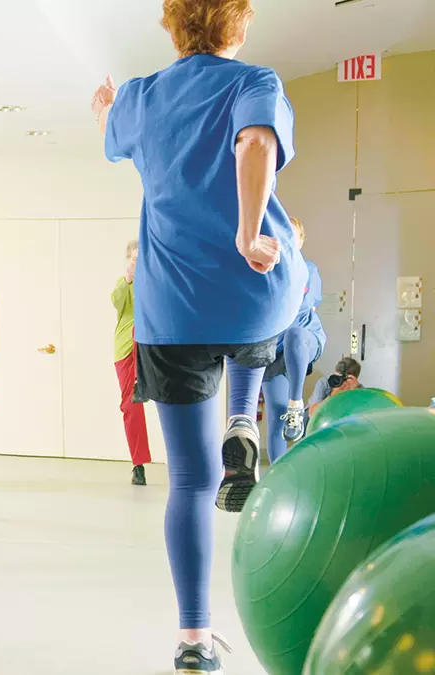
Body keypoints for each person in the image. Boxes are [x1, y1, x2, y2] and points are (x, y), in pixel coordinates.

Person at [92, 0, 306, 672]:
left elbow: (109, 129)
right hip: (252, 300)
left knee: (189, 479)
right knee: (279, 305)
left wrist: (103, 106)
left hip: (173, 309)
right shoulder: (255, 83)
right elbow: (257, 142)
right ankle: (246, 411)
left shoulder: (143, 96)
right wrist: (247, 233)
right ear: (238, 25)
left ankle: (193, 639)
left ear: (173, 26)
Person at [260, 218, 326, 461]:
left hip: (304, 340)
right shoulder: (267, 270)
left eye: (293, 236)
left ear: (300, 241)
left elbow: (308, 308)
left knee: (294, 335)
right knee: (277, 416)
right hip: (275, 351)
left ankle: (296, 403)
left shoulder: (308, 270)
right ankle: (276, 477)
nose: (288, 241)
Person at [112, 239, 151, 485]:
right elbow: (117, 302)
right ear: (128, 260)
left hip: (153, 347)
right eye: (134, 259)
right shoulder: (123, 284)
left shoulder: (156, 281)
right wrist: (128, 280)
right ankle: (138, 464)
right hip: (127, 349)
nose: (137, 263)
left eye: (141, 258)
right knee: (131, 405)